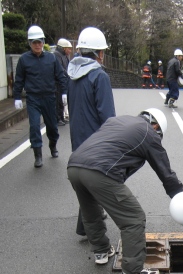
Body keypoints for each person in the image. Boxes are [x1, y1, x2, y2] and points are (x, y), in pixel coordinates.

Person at [67, 108, 183, 274]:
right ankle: (132, 272)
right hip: (100, 172)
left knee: (90, 210)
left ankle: (101, 251)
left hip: (74, 166)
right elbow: (165, 172)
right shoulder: (149, 133)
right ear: (156, 126)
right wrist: (180, 197)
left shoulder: (116, 121)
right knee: (134, 219)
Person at [68, 27, 116, 236]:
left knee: (86, 184)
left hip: (77, 137)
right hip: (96, 140)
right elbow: (107, 116)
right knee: (96, 184)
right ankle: (90, 229)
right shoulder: (99, 77)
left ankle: (84, 226)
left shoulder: (72, 74)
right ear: (99, 53)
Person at [14, 25, 67, 168]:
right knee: (34, 126)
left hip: (50, 97)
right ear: (30, 43)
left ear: (43, 42)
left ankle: (53, 145)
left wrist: (64, 92)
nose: (37, 45)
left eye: (39, 42)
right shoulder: (24, 60)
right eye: (34, 42)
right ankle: (37, 155)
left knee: (52, 126)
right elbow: (19, 79)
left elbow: (60, 76)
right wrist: (17, 96)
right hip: (33, 98)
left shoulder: (51, 58)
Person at [54, 38, 72, 126]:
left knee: (62, 101)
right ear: (63, 48)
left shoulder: (64, 56)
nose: (70, 50)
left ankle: (61, 117)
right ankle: (58, 118)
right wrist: (68, 74)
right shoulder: (56, 55)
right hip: (58, 82)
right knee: (58, 100)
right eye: (68, 48)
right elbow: (60, 69)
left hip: (64, 80)